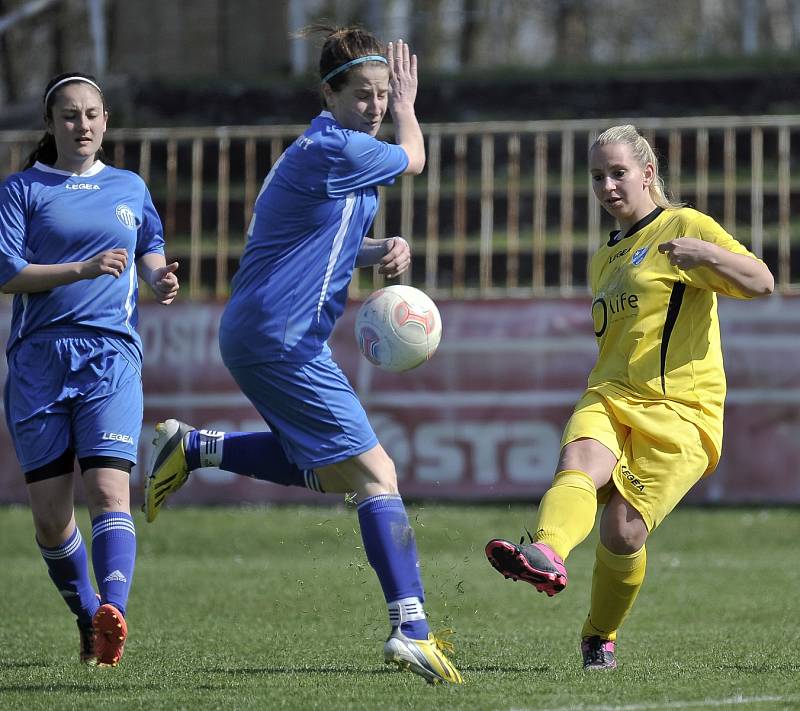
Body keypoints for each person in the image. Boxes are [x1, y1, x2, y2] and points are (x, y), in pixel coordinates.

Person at [143, 27, 462, 685]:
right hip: (279, 336)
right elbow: (416, 158)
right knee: (378, 474)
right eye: (366, 95)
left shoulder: (331, 153)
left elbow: (320, 237)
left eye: (383, 95)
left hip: (270, 333)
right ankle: (412, 629)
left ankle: (197, 448)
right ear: (331, 94)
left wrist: (380, 251)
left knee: (335, 473)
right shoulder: (335, 148)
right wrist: (409, 109)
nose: (376, 106)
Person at [485, 124, 774, 670]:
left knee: (623, 531)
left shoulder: (683, 225)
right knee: (577, 464)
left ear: (647, 173)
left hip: (682, 411)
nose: (608, 186)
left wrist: (704, 253)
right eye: (597, 176)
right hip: (610, 393)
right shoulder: (604, 258)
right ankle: (544, 552)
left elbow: (761, 281)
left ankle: (599, 635)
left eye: (618, 173)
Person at [0, 72, 179, 667]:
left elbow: (148, 243)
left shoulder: (128, 185)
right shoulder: (22, 190)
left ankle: (114, 612)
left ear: (105, 122)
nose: (83, 126)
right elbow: (7, 274)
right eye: (71, 116)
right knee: (52, 521)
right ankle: (87, 616)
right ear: (50, 125)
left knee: (109, 492)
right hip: (39, 362)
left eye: (93, 115)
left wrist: (157, 276)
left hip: (110, 356)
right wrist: (81, 269)